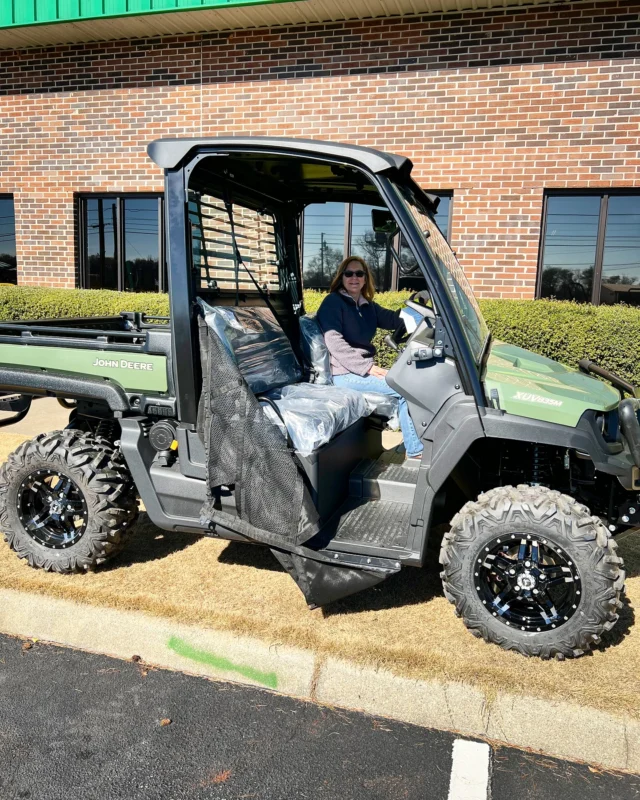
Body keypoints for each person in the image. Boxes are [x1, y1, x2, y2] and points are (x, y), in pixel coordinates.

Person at [316, 255, 423, 460]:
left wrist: (423, 311)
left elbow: (394, 319)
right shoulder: (333, 302)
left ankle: (416, 442)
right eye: (349, 273)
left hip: (359, 370)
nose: (354, 277)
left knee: (411, 382)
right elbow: (333, 341)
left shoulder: (368, 306)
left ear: (365, 279)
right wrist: (366, 367)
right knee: (404, 390)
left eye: (359, 273)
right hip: (344, 373)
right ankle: (416, 450)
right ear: (342, 277)